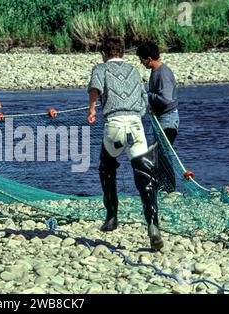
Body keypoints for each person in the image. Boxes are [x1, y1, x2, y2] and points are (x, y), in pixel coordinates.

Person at [87, 36, 163, 251]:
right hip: (136, 126)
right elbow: (143, 100)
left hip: (114, 125)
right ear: (122, 53)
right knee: (144, 176)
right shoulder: (134, 71)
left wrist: (92, 109)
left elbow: (95, 89)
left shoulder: (100, 69)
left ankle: (111, 215)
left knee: (107, 167)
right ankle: (153, 224)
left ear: (104, 54)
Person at [137, 41, 179, 193]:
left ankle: (169, 189)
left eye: (141, 59)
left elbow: (167, 99)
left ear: (149, 58)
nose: (141, 63)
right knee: (161, 154)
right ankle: (164, 188)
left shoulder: (163, 73)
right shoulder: (156, 72)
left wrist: (147, 95)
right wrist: (154, 107)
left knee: (163, 154)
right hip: (161, 119)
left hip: (168, 121)